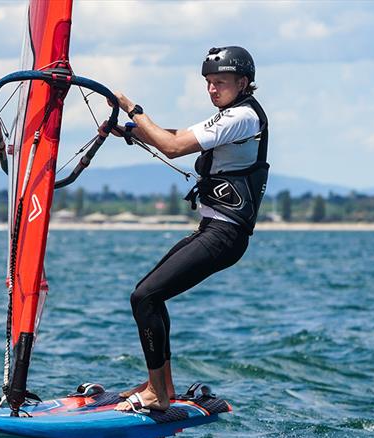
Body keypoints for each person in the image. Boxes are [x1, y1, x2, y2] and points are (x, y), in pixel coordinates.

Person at [111, 46, 270, 413]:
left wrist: (131, 108)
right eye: (209, 83)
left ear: (243, 83)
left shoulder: (242, 117)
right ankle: (159, 384)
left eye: (221, 83)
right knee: (148, 294)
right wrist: (132, 131)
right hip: (213, 228)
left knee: (145, 298)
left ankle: (157, 393)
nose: (212, 90)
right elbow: (177, 135)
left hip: (224, 235)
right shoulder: (233, 115)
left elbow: (173, 146)